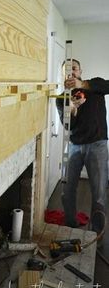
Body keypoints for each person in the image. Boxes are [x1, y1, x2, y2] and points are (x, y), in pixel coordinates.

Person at [56, 59, 109, 234]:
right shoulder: (62, 98)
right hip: (74, 146)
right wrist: (72, 110)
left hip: (97, 145)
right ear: (62, 75)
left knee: (99, 192)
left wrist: (82, 84)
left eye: (74, 69)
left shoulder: (95, 86)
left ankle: (96, 234)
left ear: (81, 71)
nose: (71, 73)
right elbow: (67, 126)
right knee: (67, 190)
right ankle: (71, 227)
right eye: (67, 71)